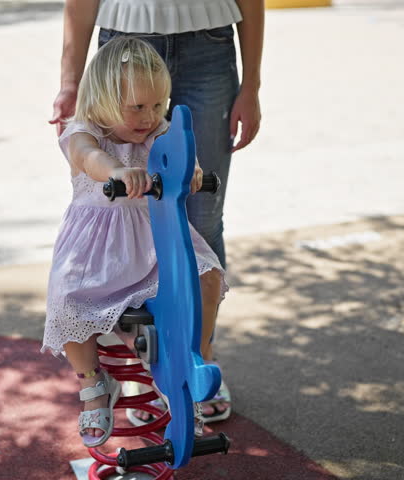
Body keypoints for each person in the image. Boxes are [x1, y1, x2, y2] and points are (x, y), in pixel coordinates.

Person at [49, 0, 263, 425]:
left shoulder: (158, 125)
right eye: (139, 109)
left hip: (211, 39)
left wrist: (195, 170)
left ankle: (193, 360)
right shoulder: (85, 132)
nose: (151, 118)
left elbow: (183, 154)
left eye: (157, 107)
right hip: (103, 244)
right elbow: (90, 156)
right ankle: (94, 383)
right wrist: (119, 171)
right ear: (107, 101)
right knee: (66, 299)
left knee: (206, 264)